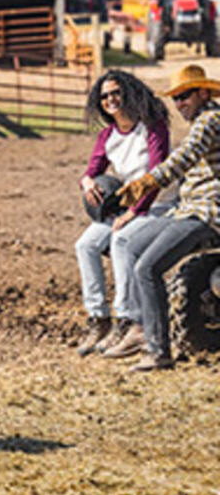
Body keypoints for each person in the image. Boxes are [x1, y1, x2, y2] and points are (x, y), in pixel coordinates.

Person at [117, 64, 220, 371]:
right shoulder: (203, 121)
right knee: (132, 245)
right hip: (188, 208)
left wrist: (149, 181)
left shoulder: (211, 119)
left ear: (203, 92)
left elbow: (186, 155)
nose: (179, 104)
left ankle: (159, 351)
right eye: (175, 98)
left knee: (148, 266)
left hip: (208, 211)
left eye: (185, 96)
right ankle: (142, 329)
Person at [74, 70, 170, 356]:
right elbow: (91, 171)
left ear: (129, 92)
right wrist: (87, 182)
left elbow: (158, 176)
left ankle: (127, 321)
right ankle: (99, 319)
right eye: (104, 96)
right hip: (130, 207)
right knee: (86, 244)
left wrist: (134, 213)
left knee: (120, 239)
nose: (110, 99)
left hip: (160, 203)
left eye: (115, 92)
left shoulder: (153, 127)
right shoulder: (107, 135)